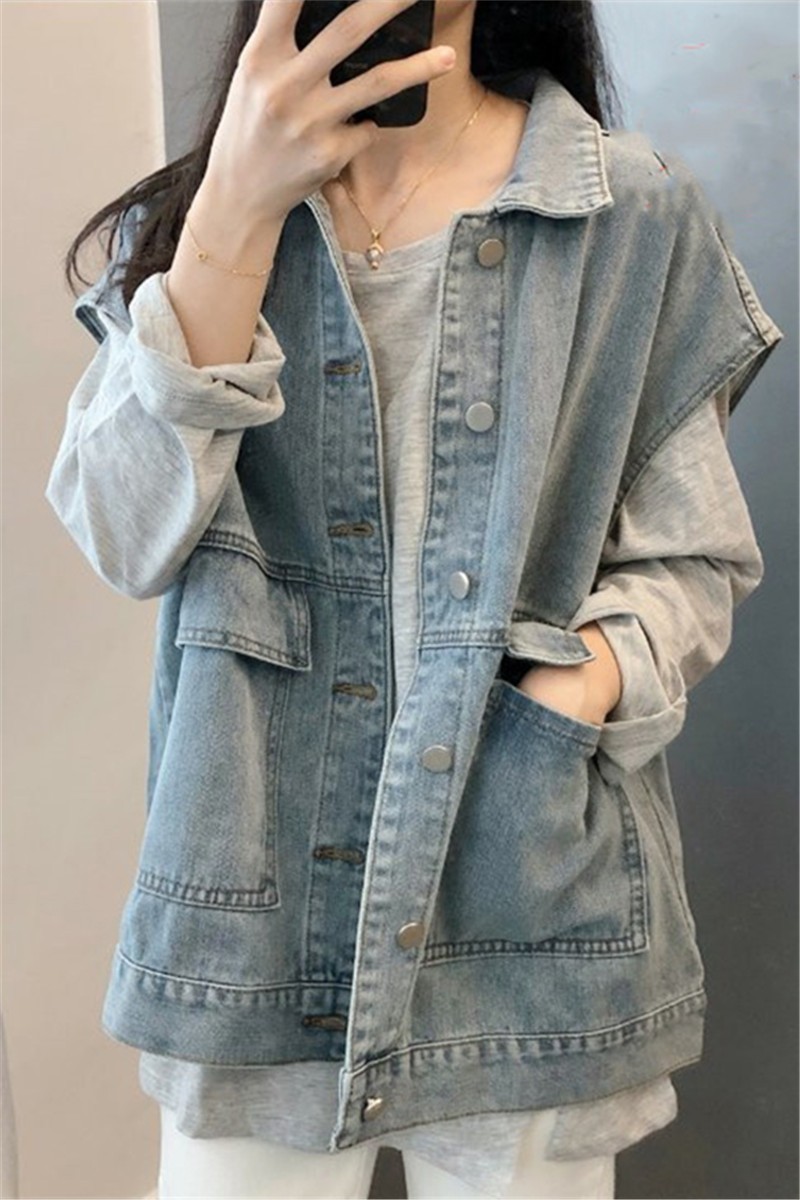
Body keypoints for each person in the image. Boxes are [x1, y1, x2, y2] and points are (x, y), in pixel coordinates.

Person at [46, 1, 783, 1197]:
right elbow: (124, 535)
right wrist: (234, 209)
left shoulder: (627, 214)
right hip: (253, 934)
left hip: (522, 923)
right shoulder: (202, 219)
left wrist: (574, 691)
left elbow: (692, 559)